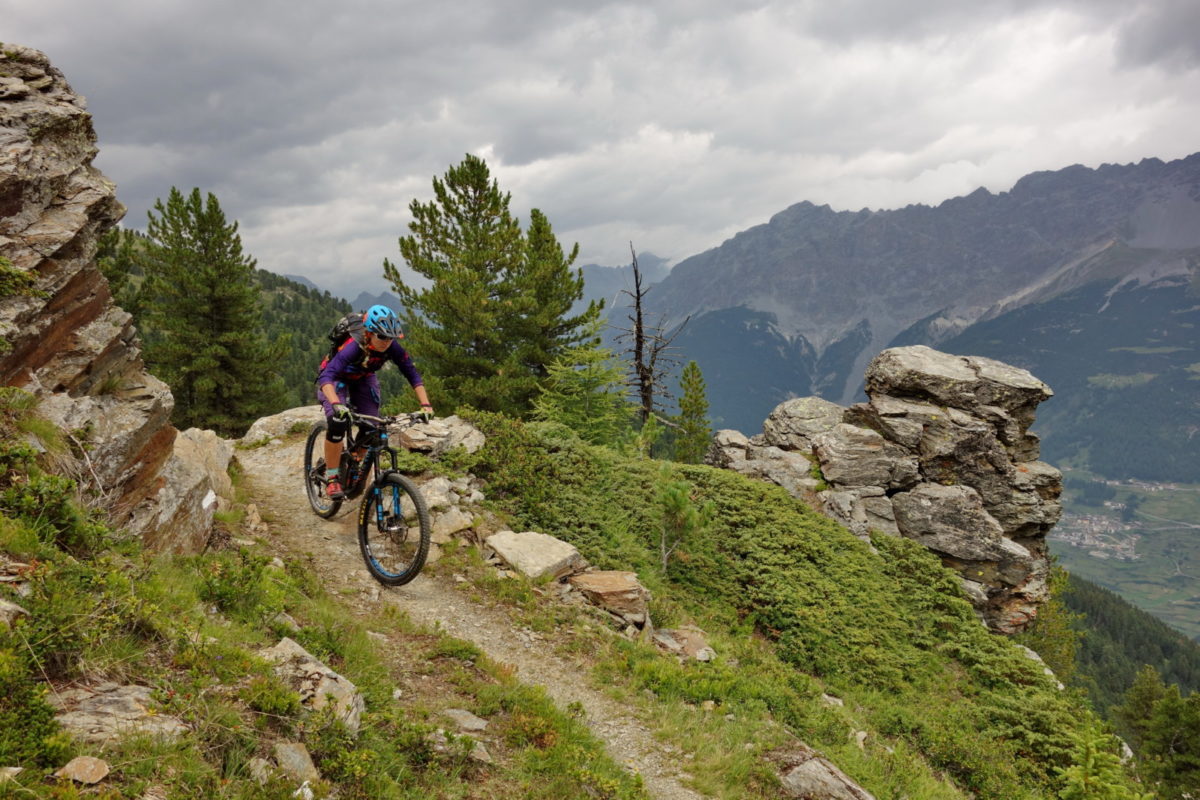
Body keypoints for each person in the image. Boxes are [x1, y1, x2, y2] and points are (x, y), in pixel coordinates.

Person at [316, 304, 433, 500]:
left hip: (363, 377)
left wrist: (426, 405)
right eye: (382, 336)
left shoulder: (392, 347)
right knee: (338, 422)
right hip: (336, 378)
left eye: (391, 337)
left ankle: (355, 461)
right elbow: (327, 376)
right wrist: (336, 404)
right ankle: (332, 477)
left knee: (372, 426)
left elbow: (412, 374)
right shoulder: (353, 346)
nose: (386, 342)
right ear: (369, 333)